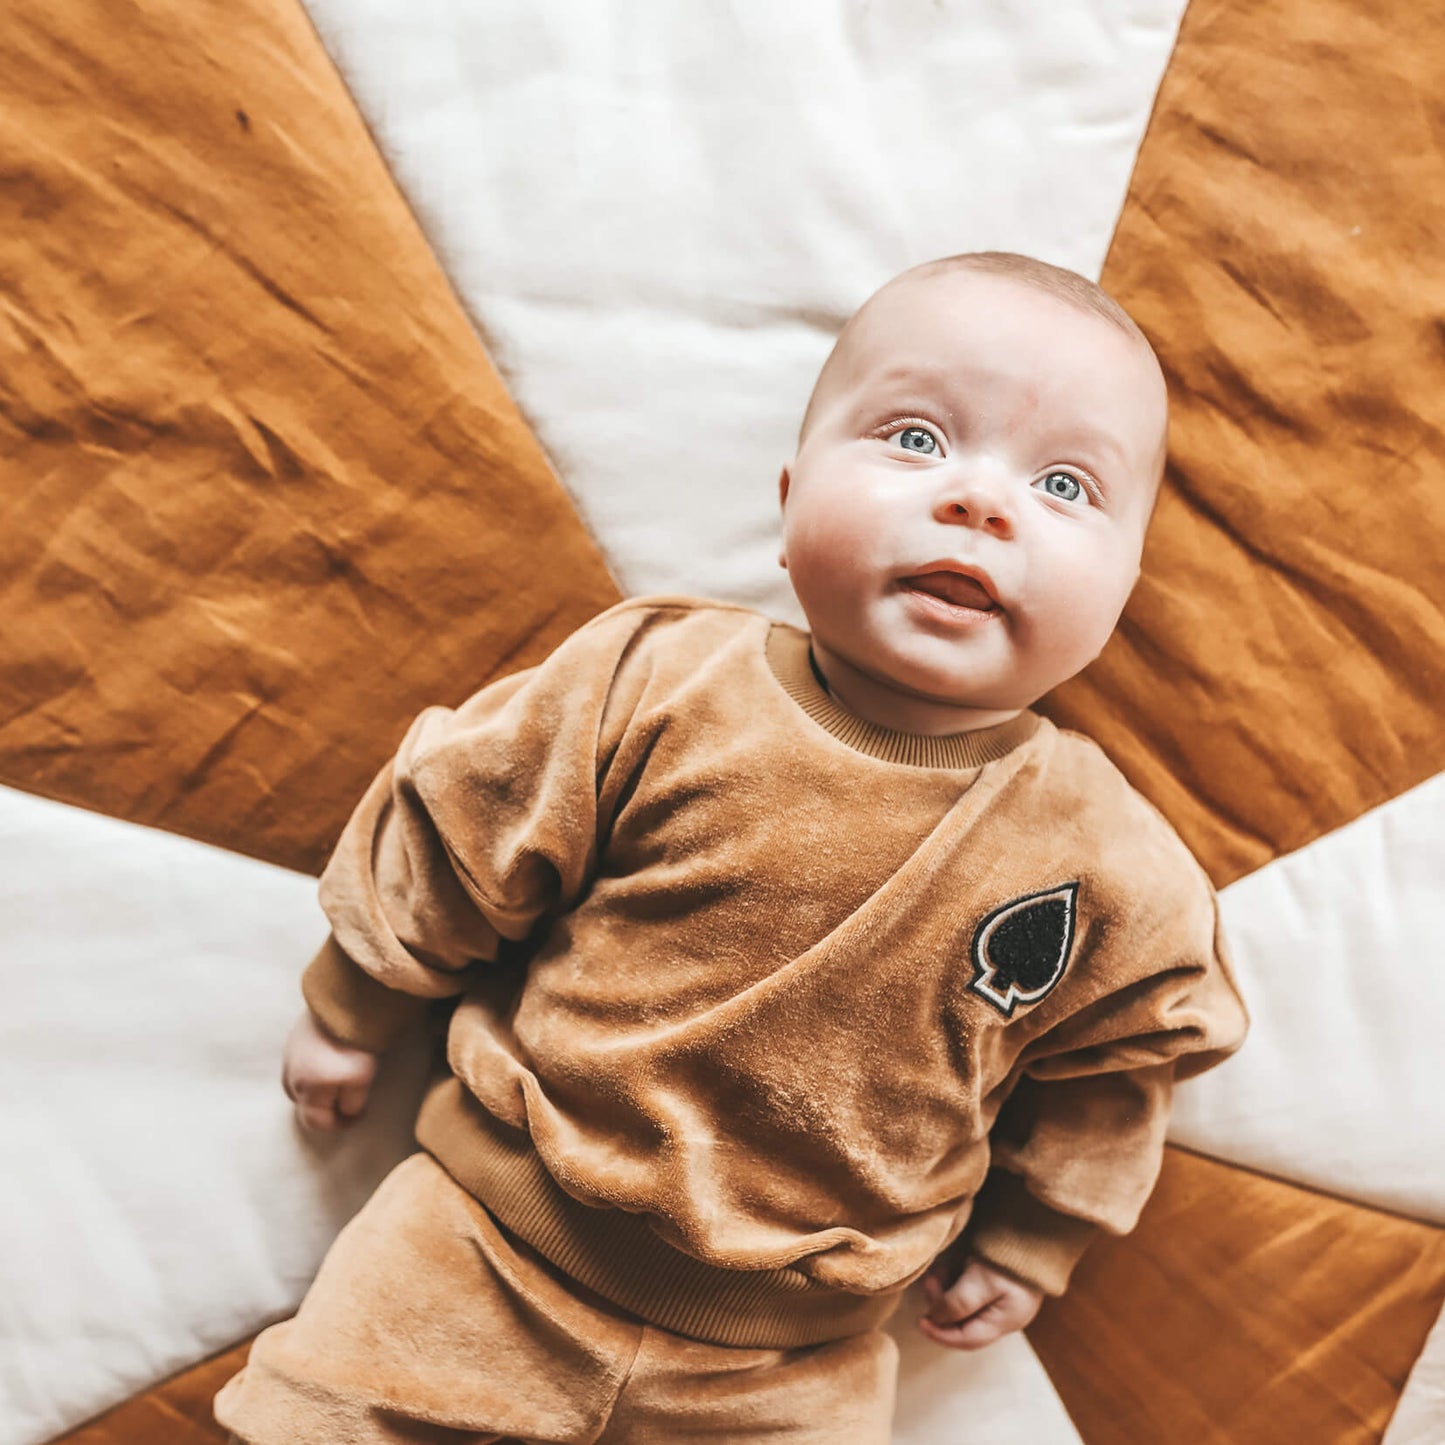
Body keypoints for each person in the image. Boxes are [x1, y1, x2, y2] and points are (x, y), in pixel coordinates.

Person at [216, 251, 1248, 1444]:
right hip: (482, 1245)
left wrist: (1036, 1232)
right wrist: (357, 998)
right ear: (790, 497)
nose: (979, 500)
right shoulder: (656, 679)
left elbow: (1118, 1062)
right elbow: (466, 817)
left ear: (1122, 583)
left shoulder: (1106, 861)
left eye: (1063, 484)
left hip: (788, 1359)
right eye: (915, 439)